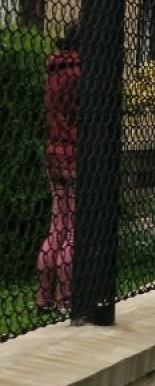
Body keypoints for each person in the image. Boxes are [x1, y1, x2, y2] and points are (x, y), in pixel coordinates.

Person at [37, 21, 80, 312]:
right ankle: (67, 298)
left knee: (57, 226)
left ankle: (44, 298)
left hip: (54, 153)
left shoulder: (53, 71)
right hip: (77, 156)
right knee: (74, 229)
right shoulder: (80, 74)